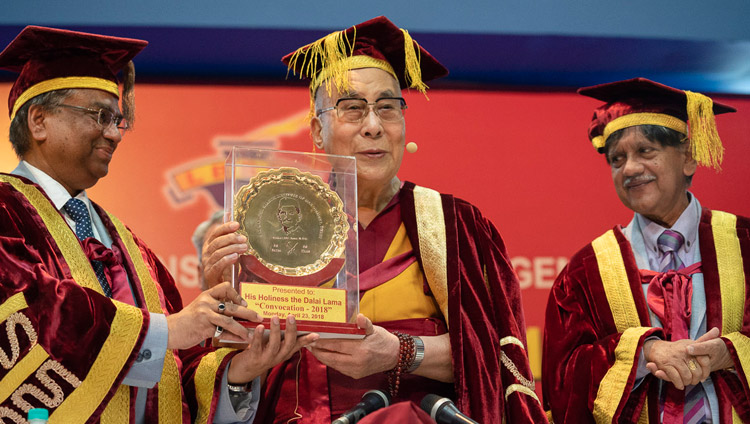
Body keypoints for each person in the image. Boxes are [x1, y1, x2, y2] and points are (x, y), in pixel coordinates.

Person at [203, 16, 546, 423]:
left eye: (387, 108)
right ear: (317, 130)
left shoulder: (456, 224)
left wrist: (401, 351)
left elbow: (496, 357)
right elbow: (233, 372)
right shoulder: (267, 223)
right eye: (352, 109)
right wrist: (226, 312)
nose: (373, 126)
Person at [0, 26, 316, 423]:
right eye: (100, 115)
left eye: (119, 120)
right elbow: (36, 307)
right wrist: (167, 331)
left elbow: (175, 376)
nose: (115, 133)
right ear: (39, 120)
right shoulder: (6, 211)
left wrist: (240, 371)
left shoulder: (132, 248)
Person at [542, 78, 750, 423]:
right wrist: (641, 353)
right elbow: (562, 380)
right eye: (617, 159)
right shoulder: (587, 270)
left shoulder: (744, 244)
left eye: (645, 151)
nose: (630, 169)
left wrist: (729, 353)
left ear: (687, 158)